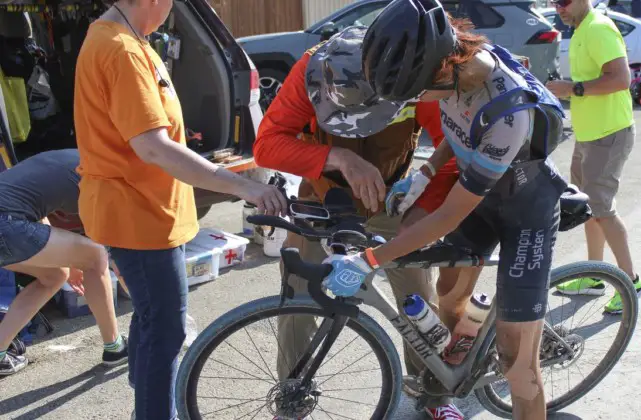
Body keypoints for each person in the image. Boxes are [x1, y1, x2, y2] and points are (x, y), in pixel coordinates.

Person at [321, 1, 571, 419]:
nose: (417, 101)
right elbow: (461, 126)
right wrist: (427, 171)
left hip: (526, 208)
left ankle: (517, 345)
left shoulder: (510, 114)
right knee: (449, 297)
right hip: (481, 192)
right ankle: (466, 370)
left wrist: (369, 260)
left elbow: (448, 216)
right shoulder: (453, 72)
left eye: (418, 92)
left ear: (444, 69)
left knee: (517, 365)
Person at [72, 1, 286, 418]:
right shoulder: (122, 50)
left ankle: (145, 399)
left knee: (152, 317)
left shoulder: (124, 39)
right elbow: (152, 146)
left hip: (140, 210)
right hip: (139, 216)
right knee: (166, 330)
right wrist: (243, 185)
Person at [253, 25, 467, 420]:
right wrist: (339, 159)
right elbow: (266, 144)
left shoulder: (413, 76)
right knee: (298, 297)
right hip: (322, 197)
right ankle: (292, 397)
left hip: (393, 196)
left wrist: (418, 217)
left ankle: (433, 394)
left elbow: (450, 148)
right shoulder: (311, 68)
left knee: (416, 295)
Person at [545, 0, 641, 313]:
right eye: (554, 1)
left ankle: (631, 282)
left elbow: (620, 79)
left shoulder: (598, 28)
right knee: (588, 208)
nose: (558, 7)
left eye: (564, 1)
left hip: (608, 135)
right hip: (589, 135)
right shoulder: (580, 29)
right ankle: (593, 277)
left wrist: (570, 88)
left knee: (602, 209)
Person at [0, 149, 127, 377]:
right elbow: (115, 249)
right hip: (7, 225)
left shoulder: (73, 158)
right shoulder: (100, 175)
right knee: (97, 256)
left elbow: (38, 211)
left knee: (54, 276)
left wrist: (69, 264)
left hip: (7, 223)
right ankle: (115, 347)